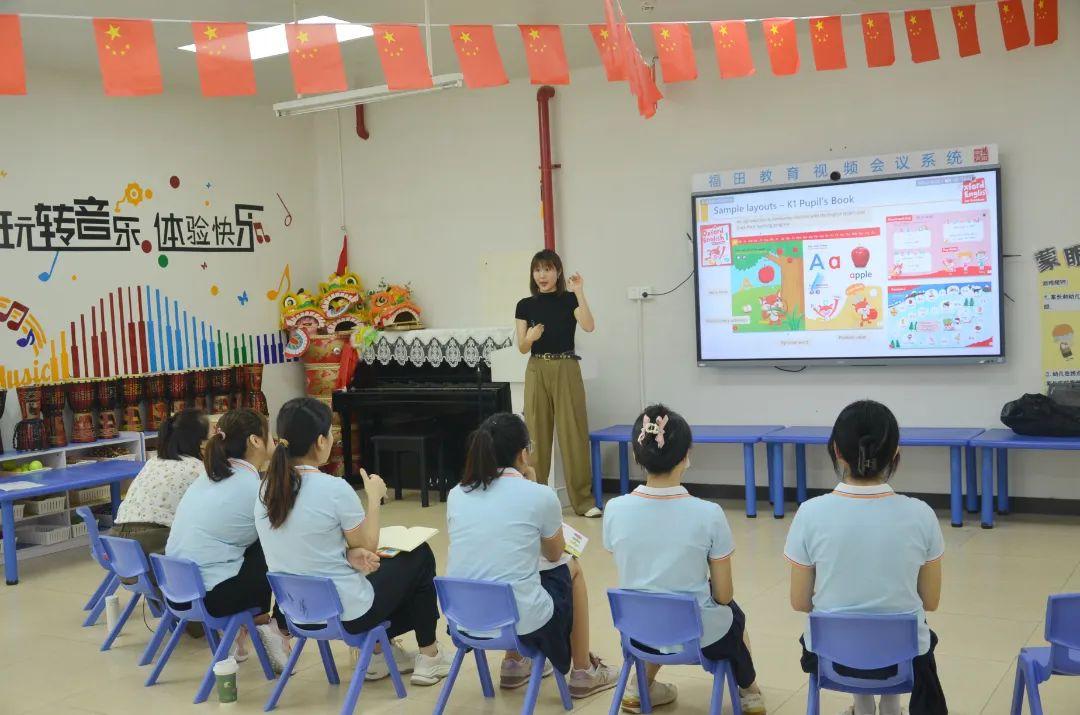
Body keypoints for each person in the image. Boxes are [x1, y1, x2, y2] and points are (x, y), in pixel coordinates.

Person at [255, 397, 454, 686]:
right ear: (321, 441)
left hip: (297, 610)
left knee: (384, 568)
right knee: (418, 556)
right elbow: (368, 543)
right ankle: (430, 656)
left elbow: (308, 545)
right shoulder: (333, 488)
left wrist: (349, 556)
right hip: (346, 614)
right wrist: (374, 498)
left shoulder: (264, 490)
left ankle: (377, 654)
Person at [784, 400, 947, 715]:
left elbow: (800, 601)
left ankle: (862, 707)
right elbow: (931, 600)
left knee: (845, 624)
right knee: (908, 625)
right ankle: (890, 706)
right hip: (904, 658)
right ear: (895, 453)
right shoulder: (921, 514)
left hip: (834, 657)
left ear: (836, 451)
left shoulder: (810, 513)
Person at [603, 405, 766, 715]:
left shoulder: (615, 509)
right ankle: (749, 690)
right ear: (687, 455)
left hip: (637, 633)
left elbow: (634, 561)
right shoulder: (708, 514)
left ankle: (640, 686)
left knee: (655, 599)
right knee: (733, 614)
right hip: (698, 637)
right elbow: (723, 595)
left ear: (637, 456)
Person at [446, 412, 617, 697]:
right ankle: (584, 670)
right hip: (519, 619)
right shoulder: (538, 495)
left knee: (505, 564)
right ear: (524, 454)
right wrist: (534, 486)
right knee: (571, 567)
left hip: (464, 618)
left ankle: (513, 662)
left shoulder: (457, 493)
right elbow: (553, 554)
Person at [166, 408, 291, 669]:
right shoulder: (253, 487)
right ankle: (273, 627)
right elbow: (285, 540)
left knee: (253, 541)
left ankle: (240, 633)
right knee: (273, 546)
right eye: (269, 435)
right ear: (255, 441)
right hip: (212, 597)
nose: (274, 441)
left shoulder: (206, 478)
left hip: (176, 590)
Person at [515, 249, 599, 518]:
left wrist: (580, 292)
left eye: (548, 269)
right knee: (536, 435)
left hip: (566, 366)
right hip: (537, 367)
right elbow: (521, 347)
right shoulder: (524, 305)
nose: (542, 275)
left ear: (558, 272)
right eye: (537, 270)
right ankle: (534, 500)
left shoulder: (568, 299)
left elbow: (588, 326)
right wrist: (530, 336)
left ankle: (584, 502)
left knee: (573, 432)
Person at [113, 409, 208, 559]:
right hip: (152, 542)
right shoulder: (198, 469)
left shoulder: (153, 462)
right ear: (200, 442)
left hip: (119, 546)